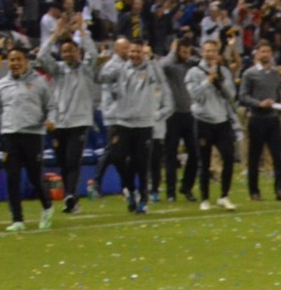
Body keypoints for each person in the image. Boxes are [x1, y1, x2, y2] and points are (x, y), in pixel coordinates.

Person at [0, 45, 55, 233]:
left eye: (18, 59)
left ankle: (47, 207)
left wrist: (50, 119)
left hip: (33, 135)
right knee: (12, 177)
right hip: (9, 135)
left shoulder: (40, 82)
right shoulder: (0, 85)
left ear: (27, 61)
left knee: (34, 177)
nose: (15, 63)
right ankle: (17, 219)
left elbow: (51, 106)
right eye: (12, 60)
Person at [98, 39, 168, 214]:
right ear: (127, 53)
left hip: (144, 123)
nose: (135, 55)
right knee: (117, 157)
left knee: (142, 163)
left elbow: (160, 79)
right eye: (132, 52)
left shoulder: (151, 69)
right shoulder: (120, 69)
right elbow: (100, 78)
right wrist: (100, 62)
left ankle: (143, 198)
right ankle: (130, 189)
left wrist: (151, 60)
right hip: (122, 121)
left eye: (139, 52)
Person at [38, 17, 99, 215]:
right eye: (64, 51)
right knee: (63, 162)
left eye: (71, 50)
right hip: (59, 123)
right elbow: (41, 56)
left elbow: (94, 53)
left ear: (77, 52)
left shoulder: (86, 69)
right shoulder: (57, 70)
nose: (68, 54)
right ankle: (69, 196)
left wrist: (82, 32)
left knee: (73, 160)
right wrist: (54, 35)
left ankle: (71, 195)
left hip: (79, 122)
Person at [187, 39, 240, 211]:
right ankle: (205, 199)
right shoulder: (194, 72)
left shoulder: (223, 70)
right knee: (204, 161)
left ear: (217, 54)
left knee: (229, 158)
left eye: (213, 51)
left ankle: (224, 196)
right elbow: (195, 95)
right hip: (203, 120)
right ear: (202, 52)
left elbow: (231, 94)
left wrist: (221, 81)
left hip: (222, 120)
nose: (210, 54)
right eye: (207, 50)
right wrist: (208, 81)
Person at [239, 40, 281, 202]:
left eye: (268, 51)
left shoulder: (276, 74)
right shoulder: (249, 74)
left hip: (273, 118)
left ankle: (280, 189)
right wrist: (259, 104)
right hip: (256, 118)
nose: (265, 54)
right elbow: (243, 96)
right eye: (262, 51)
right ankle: (254, 191)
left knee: (277, 156)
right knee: (254, 157)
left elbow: (278, 94)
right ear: (257, 54)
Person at [159, 37, 200, 200]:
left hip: (189, 114)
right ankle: (170, 192)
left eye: (188, 51)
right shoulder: (170, 65)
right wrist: (172, 51)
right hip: (173, 115)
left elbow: (203, 61)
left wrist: (194, 50)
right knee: (171, 154)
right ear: (177, 50)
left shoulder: (191, 64)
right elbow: (162, 65)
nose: (186, 54)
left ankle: (186, 187)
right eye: (183, 51)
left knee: (195, 153)